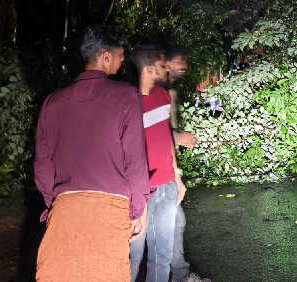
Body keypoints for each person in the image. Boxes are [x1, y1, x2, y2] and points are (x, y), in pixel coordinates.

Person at [34, 24, 151, 282]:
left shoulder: (52, 102)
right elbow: (135, 159)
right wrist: (138, 208)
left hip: (65, 207)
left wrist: (54, 203)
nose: (123, 60)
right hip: (110, 211)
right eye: (120, 54)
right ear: (105, 57)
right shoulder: (126, 96)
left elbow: (43, 166)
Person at [129, 44, 188, 282]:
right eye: (163, 65)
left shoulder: (163, 96)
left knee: (161, 257)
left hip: (166, 185)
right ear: (149, 69)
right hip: (140, 190)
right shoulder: (127, 102)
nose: (167, 69)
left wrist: (177, 177)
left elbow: (166, 141)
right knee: (133, 255)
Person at [165, 46, 211, 282]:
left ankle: (179, 275)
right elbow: (146, 132)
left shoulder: (167, 91)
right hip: (156, 171)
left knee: (173, 222)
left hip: (165, 168)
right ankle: (179, 277)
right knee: (172, 222)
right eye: (179, 61)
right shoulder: (153, 92)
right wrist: (177, 137)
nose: (183, 66)